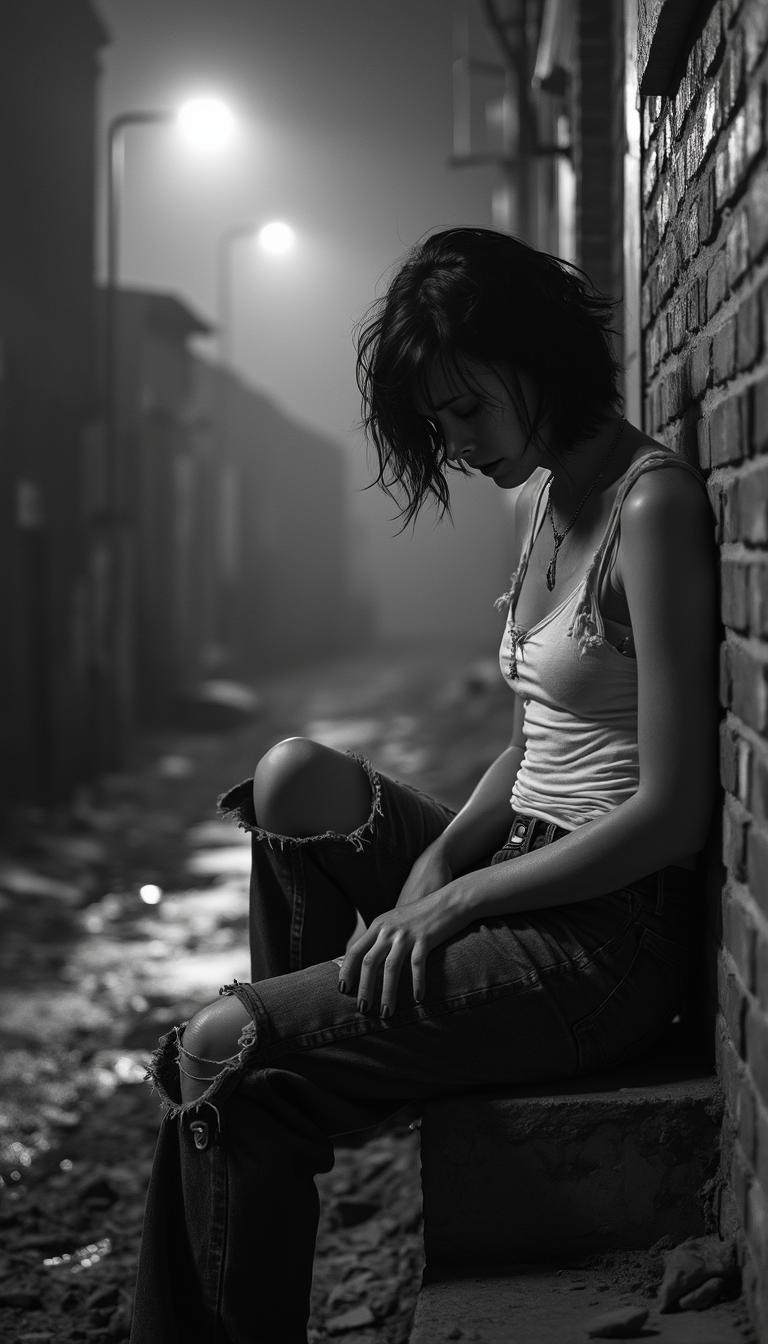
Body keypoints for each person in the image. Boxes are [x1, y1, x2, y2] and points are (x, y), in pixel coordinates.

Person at [128, 227, 717, 1344]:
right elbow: (531, 742)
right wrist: (444, 854)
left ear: (538, 358)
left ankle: (276, 1076)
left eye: (467, 409)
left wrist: (456, 902)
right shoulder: (548, 502)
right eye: (440, 422)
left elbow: (674, 814)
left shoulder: (652, 508)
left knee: (217, 1049)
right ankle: (297, 1080)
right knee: (293, 777)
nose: (456, 442)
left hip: (607, 940)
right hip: (523, 863)